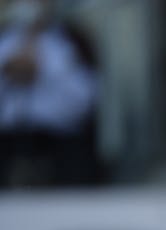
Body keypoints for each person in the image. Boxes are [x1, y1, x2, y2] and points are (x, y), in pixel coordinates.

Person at [0, 0, 101, 186]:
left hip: (58, 142)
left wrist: (44, 70)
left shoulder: (73, 40)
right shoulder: (4, 39)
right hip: (7, 141)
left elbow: (86, 101)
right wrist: (9, 72)